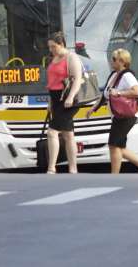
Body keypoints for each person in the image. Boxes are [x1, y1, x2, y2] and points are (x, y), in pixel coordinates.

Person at [87, 49, 138, 173]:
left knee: (113, 145)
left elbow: (136, 91)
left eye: (114, 59)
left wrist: (119, 93)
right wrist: (94, 108)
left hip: (126, 116)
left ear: (122, 61)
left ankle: (115, 175)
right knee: (119, 147)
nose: (111, 61)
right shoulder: (114, 75)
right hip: (118, 116)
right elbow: (105, 94)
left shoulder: (127, 75)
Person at [45, 32, 83, 174]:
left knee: (52, 132)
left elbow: (77, 79)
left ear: (61, 44)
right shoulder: (52, 58)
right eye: (49, 47)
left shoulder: (71, 57)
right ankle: (73, 169)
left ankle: (51, 168)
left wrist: (70, 97)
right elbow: (50, 83)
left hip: (68, 100)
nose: (51, 50)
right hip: (55, 99)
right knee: (68, 135)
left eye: (54, 47)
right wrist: (50, 102)